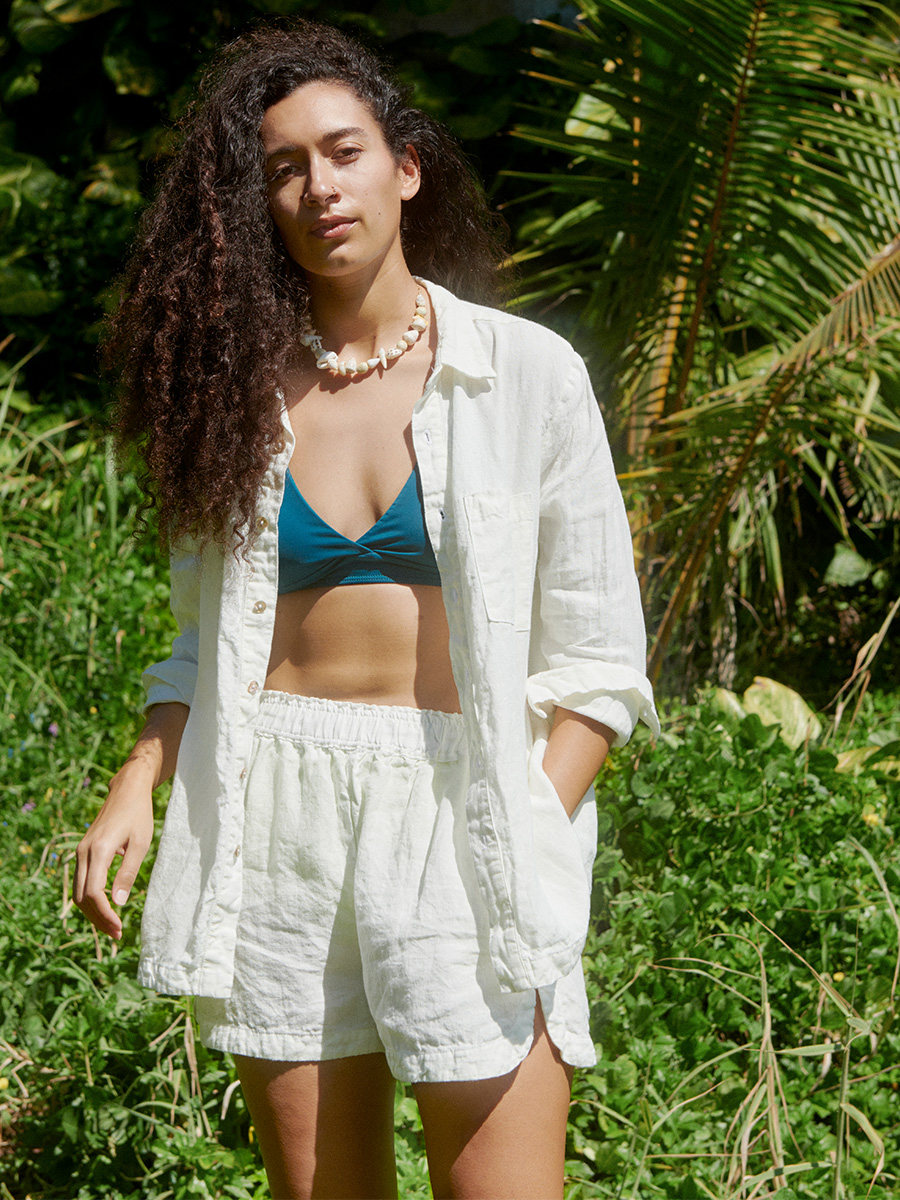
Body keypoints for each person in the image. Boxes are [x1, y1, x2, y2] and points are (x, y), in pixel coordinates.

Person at [74, 20, 658, 1200]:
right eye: (282, 167)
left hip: (464, 811)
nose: (315, 186)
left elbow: (599, 660)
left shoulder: (524, 373)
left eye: (342, 151)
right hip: (274, 809)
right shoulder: (232, 395)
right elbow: (205, 642)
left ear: (406, 166)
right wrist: (140, 778)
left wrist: (529, 828)